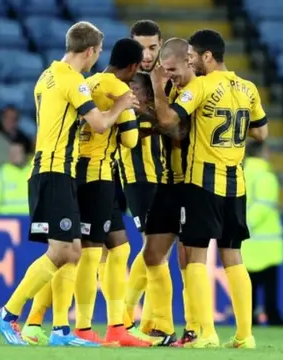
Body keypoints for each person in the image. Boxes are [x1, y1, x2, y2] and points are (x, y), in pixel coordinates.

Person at [0, 21, 137, 347]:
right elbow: (99, 125)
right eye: (97, 52)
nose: (97, 58)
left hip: (56, 170)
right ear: (89, 51)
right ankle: (7, 314)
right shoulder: (74, 81)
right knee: (60, 251)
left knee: (72, 251)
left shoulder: (47, 75)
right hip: (54, 171)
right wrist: (120, 106)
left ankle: (61, 331)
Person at [151, 29, 268, 349]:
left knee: (197, 258)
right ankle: (245, 336)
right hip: (236, 183)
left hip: (203, 183)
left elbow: (166, 120)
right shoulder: (248, 87)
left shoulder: (201, 86)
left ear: (207, 56)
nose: (189, 61)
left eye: (192, 56)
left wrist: (159, 90)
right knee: (234, 257)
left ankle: (206, 334)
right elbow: (262, 132)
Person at [117, 21, 171, 344]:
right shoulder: (122, 82)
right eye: (141, 47)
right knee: (155, 249)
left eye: (153, 47)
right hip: (137, 177)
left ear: (161, 45)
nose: (148, 54)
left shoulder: (167, 79)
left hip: (165, 176)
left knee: (158, 251)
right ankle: (147, 323)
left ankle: (137, 320)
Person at [143, 38, 198, 347]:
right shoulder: (173, 93)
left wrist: (155, 97)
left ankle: (194, 328)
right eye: (166, 71)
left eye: (174, 69)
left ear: (189, 63)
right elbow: (163, 124)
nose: (170, 75)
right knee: (152, 253)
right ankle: (163, 326)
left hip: (191, 185)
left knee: (188, 258)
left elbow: (176, 130)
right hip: (168, 183)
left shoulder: (195, 92)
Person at [242, 140, 283, 326]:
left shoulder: (241, 173)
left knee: (249, 284)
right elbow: (265, 204)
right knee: (269, 285)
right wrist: (249, 223)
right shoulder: (265, 175)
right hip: (266, 241)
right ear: (262, 152)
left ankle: (249, 317)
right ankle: (272, 315)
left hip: (247, 241)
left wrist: (241, 225)